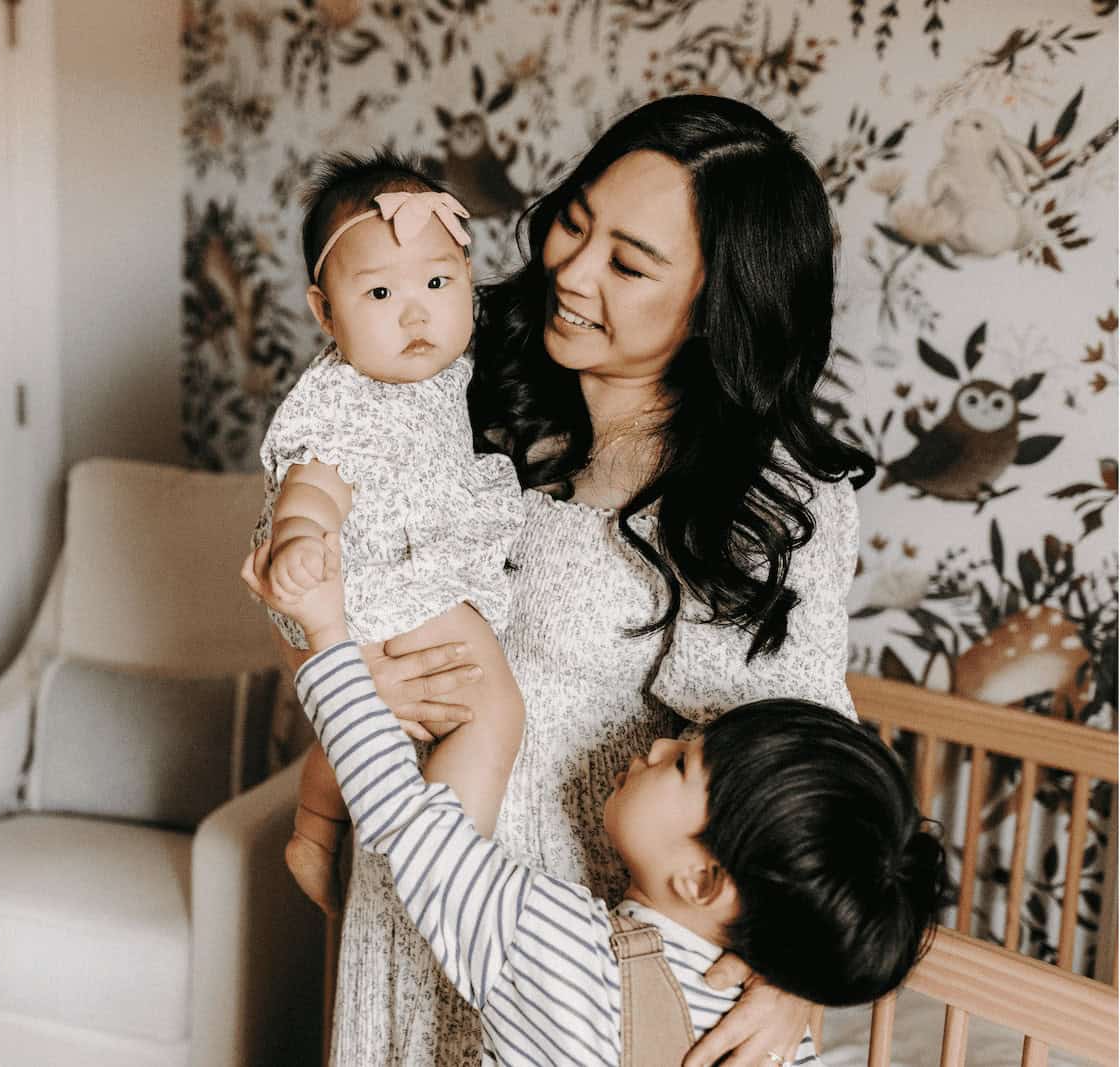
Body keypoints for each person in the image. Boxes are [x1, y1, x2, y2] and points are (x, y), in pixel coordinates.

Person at [247, 94, 876, 1066]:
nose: (571, 272)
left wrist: (791, 969)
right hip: (408, 868)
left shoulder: (756, 499)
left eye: (629, 263)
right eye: (575, 223)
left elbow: (802, 764)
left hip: (568, 953)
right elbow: (313, 550)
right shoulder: (460, 363)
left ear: (721, 299)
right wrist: (348, 672)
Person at [246, 534, 947, 1066]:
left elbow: (403, 812)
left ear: (703, 878)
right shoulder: (774, 1046)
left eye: (682, 764)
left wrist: (328, 635)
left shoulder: (553, 941)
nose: (656, 746)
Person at [252, 151, 528, 915]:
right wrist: (300, 537)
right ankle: (448, 872)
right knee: (490, 704)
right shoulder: (347, 397)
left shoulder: (447, 373)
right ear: (324, 313)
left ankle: (315, 828)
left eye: (438, 283)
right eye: (379, 292)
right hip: (379, 575)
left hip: (409, 567)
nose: (416, 315)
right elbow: (314, 481)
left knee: (384, 716)